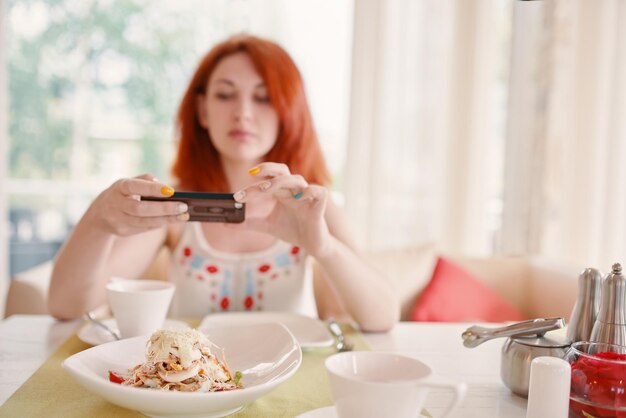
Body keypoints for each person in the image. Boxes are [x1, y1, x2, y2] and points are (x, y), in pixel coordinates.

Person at [48, 34, 399, 332]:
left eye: (263, 97)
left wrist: (324, 248)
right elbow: (67, 306)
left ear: (286, 113)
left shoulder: (310, 208)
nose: (243, 112)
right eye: (225, 94)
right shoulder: (175, 210)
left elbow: (381, 319)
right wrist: (98, 220)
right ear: (202, 111)